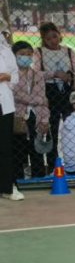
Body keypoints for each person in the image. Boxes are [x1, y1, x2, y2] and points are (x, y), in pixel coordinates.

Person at [32, 22, 75, 168]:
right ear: (43, 39)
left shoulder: (68, 51)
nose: (53, 41)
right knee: (52, 128)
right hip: (49, 91)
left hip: (68, 91)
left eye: (54, 36)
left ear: (59, 35)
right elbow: (35, 73)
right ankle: (53, 164)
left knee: (72, 127)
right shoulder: (38, 52)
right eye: (48, 39)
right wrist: (53, 73)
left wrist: (69, 76)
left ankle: (74, 161)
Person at [11, 41, 49, 181]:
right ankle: (18, 181)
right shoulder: (10, 75)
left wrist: (44, 120)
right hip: (17, 118)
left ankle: (39, 180)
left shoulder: (37, 75)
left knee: (37, 151)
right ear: (13, 56)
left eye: (28, 54)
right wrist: (38, 100)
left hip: (35, 117)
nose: (26, 57)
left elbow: (44, 100)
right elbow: (16, 95)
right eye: (22, 54)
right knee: (18, 152)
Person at [1, 25, 21, 200]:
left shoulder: (5, 49)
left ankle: (7, 188)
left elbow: (15, 76)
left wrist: (7, 77)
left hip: (4, 102)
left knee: (5, 146)